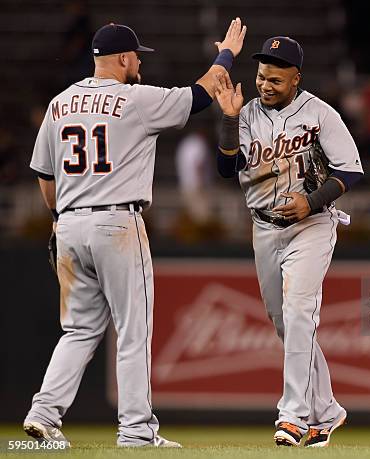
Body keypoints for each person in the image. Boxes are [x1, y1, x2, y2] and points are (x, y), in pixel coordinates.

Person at [25, 19, 246, 447]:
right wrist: (227, 55)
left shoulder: (59, 104)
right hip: (116, 223)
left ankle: (44, 414)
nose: (139, 63)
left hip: (69, 223)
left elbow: (44, 175)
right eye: (136, 57)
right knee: (133, 331)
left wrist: (59, 217)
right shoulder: (134, 99)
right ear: (124, 58)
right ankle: (137, 431)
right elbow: (202, 94)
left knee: (78, 330)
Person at [214, 36, 363, 447]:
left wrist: (312, 202)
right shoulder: (244, 116)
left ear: (296, 78)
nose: (266, 85)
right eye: (262, 77)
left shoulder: (319, 113)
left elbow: (350, 171)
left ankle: (292, 415)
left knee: (300, 313)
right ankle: (328, 410)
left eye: (276, 79)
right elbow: (228, 168)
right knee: (285, 324)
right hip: (263, 226)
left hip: (311, 225)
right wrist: (227, 117)